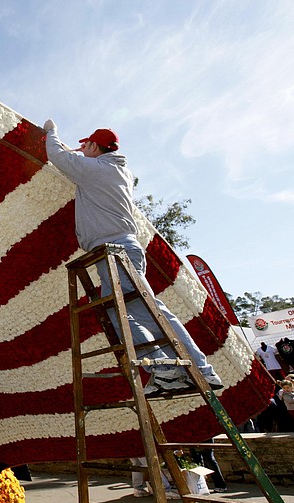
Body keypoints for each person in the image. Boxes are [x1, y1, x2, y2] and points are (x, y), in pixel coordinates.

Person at [43, 120, 222, 396]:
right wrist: (81, 153)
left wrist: (51, 132)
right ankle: (167, 369)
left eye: (87, 145)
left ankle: (197, 369)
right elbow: (80, 161)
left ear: (94, 146)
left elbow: (57, 157)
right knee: (127, 310)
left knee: (147, 309)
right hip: (117, 247)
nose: (83, 149)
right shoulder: (113, 169)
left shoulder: (98, 170)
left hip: (114, 247)